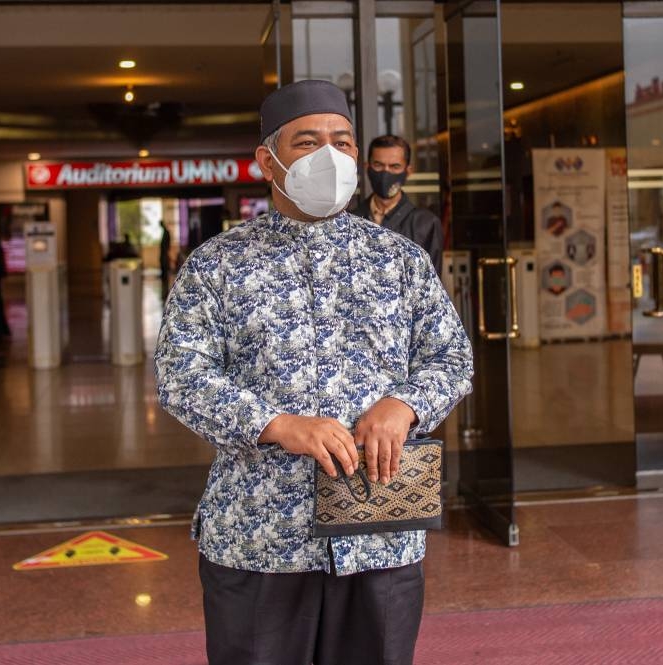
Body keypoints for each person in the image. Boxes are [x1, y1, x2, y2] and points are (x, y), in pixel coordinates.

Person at [155, 79, 473, 665]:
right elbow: (181, 376)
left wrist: (403, 405)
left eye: (343, 141)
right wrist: (276, 423)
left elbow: (451, 358)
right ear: (267, 162)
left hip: (378, 529)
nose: (330, 156)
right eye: (307, 142)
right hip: (260, 535)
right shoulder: (216, 264)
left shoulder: (398, 259)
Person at [352, 134, 444, 275]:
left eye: (395, 166)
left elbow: (433, 286)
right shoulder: (351, 219)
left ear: (408, 171)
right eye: (378, 165)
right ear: (367, 167)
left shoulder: (425, 224)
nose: (386, 172)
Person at [158, 219, 171, 301]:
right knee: (163, 273)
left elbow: (166, 246)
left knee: (165, 273)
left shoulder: (166, 233)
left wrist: (165, 254)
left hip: (164, 255)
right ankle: (164, 290)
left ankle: (165, 291)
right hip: (163, 255)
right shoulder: (165, 232)